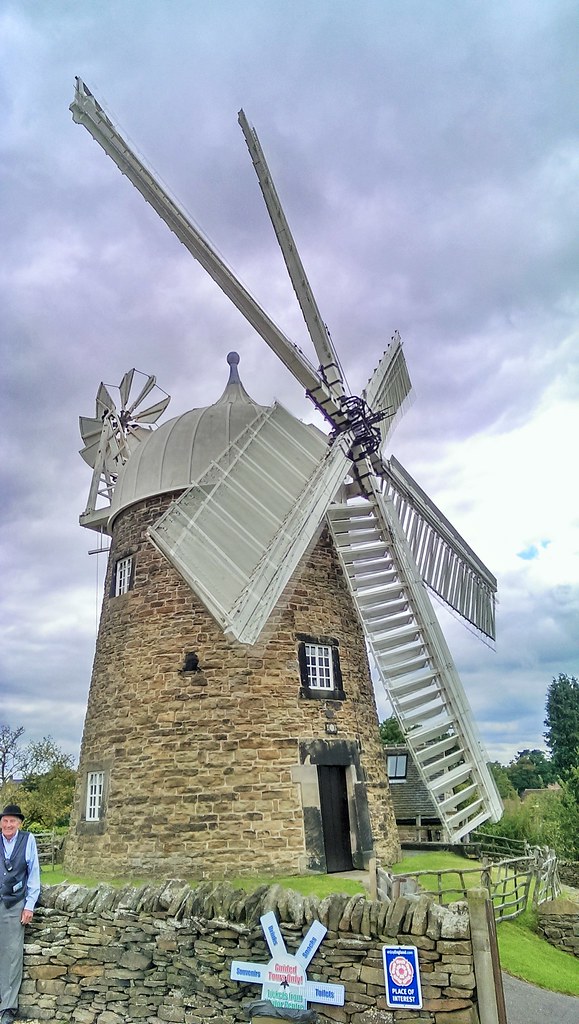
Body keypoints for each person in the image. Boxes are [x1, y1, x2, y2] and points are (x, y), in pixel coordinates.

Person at [0, 805, 40, 1024]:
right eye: (5, 821)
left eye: (12, 821)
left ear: (19, 823)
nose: (8, 825)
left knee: (12, 955)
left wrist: (29, 905)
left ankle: (7, 1008)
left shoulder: (28, 840)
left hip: (15, 903)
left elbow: (33, 873)